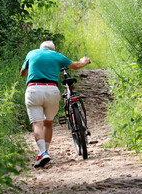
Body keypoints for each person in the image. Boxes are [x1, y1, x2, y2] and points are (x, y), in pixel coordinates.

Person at [20, 40, 90, 168]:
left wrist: (33, 71)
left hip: (33, 89)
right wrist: (85, 60)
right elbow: (76, 65)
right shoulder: (56, 55)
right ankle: (45, 152)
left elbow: (22, 73)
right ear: (52, 49)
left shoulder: (32, 53)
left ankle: (43, 153)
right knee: (48, 123)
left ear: (40, 48)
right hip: (51, 90)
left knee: (37, 123)